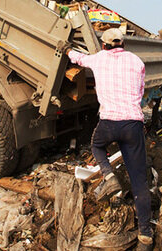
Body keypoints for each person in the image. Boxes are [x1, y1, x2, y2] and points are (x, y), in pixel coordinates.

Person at [62, 28, 153, 250]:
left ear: (104, 45)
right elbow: (140, 92)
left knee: (97, 145)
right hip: (132, 123)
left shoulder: (99, 58)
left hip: (109, 122)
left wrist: (66, 50)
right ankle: (145, 236)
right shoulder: (137, 61)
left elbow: (79, 59)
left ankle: (109, 175)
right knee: (139, 180)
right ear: (123, 44)